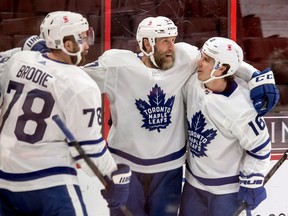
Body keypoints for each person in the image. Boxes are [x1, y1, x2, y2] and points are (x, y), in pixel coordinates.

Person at [14, 16, 279, 216]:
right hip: (127, 169)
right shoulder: (117, 65)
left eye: (173, 40)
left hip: (170, 171)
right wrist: (46, 57)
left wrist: (254, 75)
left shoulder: (185, 58)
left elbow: (223, 59)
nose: (171, 47)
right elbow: (73, 75)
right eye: (164, 41)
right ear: (146, 43)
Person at [0, 11, 131, 216]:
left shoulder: (19, 61)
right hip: (47, 182)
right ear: (67, 45)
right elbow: (90, 149)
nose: (88, 43)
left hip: (5, 176)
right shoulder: (81, 84)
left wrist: (32, 50)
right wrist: (113, 175)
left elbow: (12, 58)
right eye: (83, 37)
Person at [179, 37, 271, 216]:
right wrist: (254, 74)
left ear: (221, 68)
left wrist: (252, 180)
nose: (199, 62)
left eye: (206, 59)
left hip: (227, 194)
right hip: (193, 186)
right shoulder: (192, 83)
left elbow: (260, 147)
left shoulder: (242, 108)